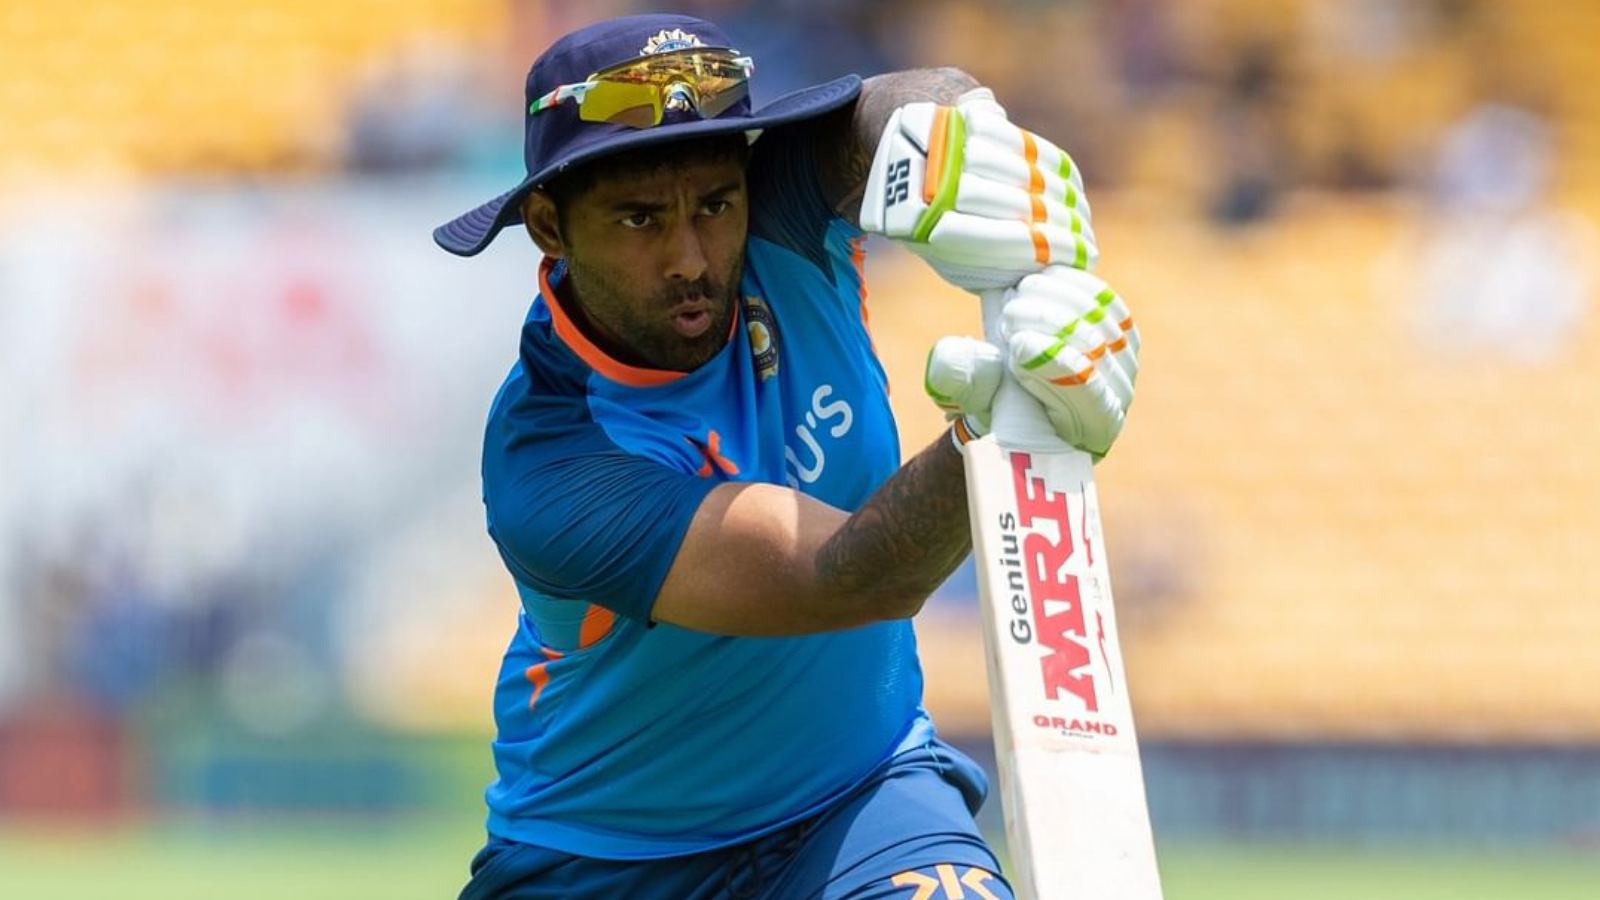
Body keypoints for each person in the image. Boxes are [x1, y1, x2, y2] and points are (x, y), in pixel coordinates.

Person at [433, 13, 1139, 900]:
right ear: (548, 224)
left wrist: (955, 148)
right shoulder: (551, 457)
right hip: (604, 857)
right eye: (640, 218)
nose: (691, 256)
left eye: (715, 207)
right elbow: (849, 578)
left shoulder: (783, 220)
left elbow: (900, 101)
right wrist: (1011, 423)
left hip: (860, 801)